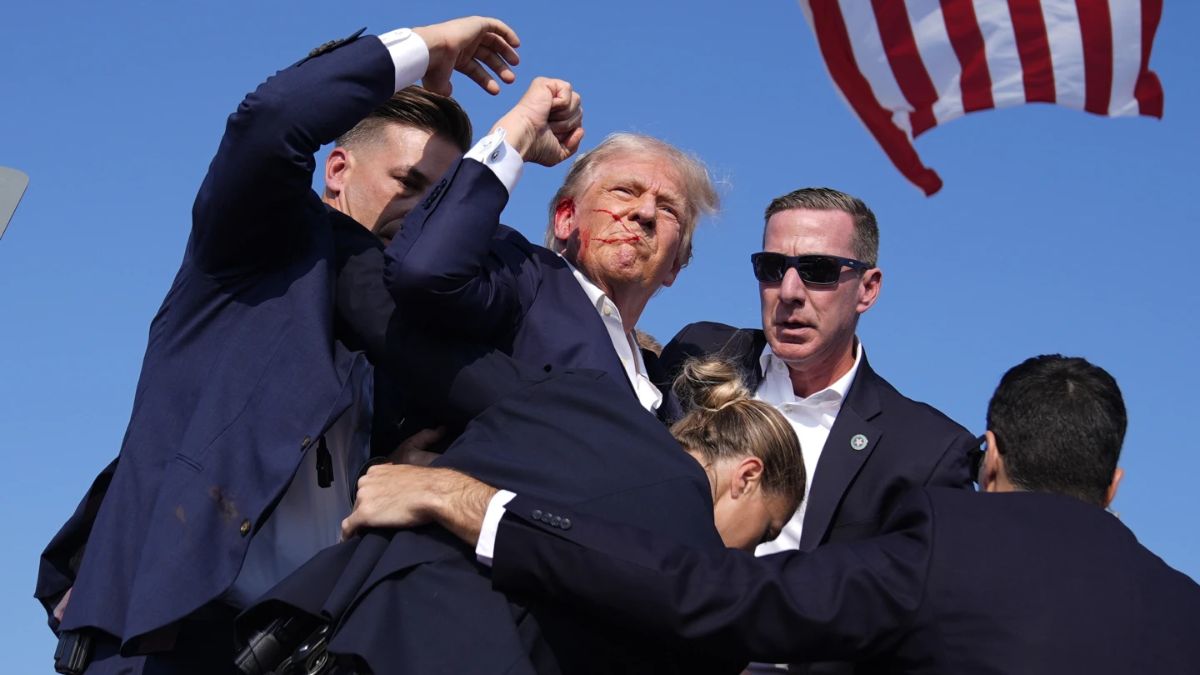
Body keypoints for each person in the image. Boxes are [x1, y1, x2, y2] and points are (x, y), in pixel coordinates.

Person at [34, 16, 538, 674]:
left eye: (438, 201)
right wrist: (430, 46)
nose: (419, 214)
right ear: (337, 169)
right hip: (162, 645)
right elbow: (271, 118)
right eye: (407, 183)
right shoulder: (251, 250)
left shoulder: (411, 339)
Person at [354, 354, 1200, 674]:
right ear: (1115, 482)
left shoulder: (951, 542)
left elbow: (717, 596)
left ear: (990, 455)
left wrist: (474, 502)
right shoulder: (1183, 610)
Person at [239, 340, 801, 674]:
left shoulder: (580, 399)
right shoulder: (694, 561)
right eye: (765, 530)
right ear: (747, 477)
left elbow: (418, 337)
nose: (749, 552)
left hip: (321, 628)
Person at [659, 188, 973, 557]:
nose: (789, 291)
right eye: (772, 268)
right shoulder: (699, 349)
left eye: (818, 270)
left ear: (868, 289)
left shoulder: (926, 451)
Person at [383, 123, 720, 413]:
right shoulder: (523, 277)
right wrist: (517, 134)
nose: (645, 212)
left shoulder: (665, 393)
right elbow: (426, 271)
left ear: (675, 265)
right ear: (565, 219)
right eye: (624, 191)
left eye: (668, 210)